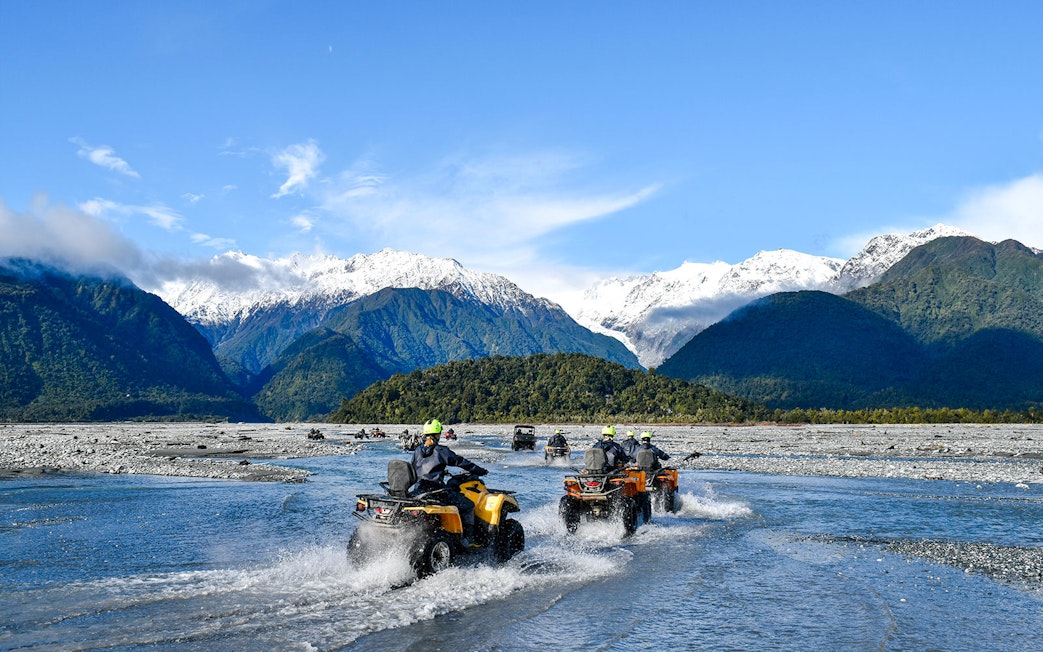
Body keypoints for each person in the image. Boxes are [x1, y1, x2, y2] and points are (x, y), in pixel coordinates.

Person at [411, 418, 488, 543]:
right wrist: (480, 470)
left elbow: (415, 467)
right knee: (468, 505)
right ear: (437, 435)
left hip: (419, 490)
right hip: (436, 492)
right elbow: (461, 462)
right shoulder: (441, 451)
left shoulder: (418, 450)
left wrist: (441, 471)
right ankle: (468, 539)